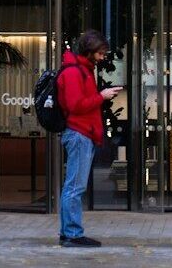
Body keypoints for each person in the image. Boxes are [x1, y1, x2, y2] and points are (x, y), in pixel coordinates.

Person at [55, 30, 121, 249]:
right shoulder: (74, 73)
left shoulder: (83, 70)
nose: (102, 57)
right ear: (89, 51)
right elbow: (76, 106)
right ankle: (72, 234)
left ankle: (68, 233)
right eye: (100, 53)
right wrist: (101, 97)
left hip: (82, 134)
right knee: (75, 186)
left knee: (73, 185)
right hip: (79, 133)